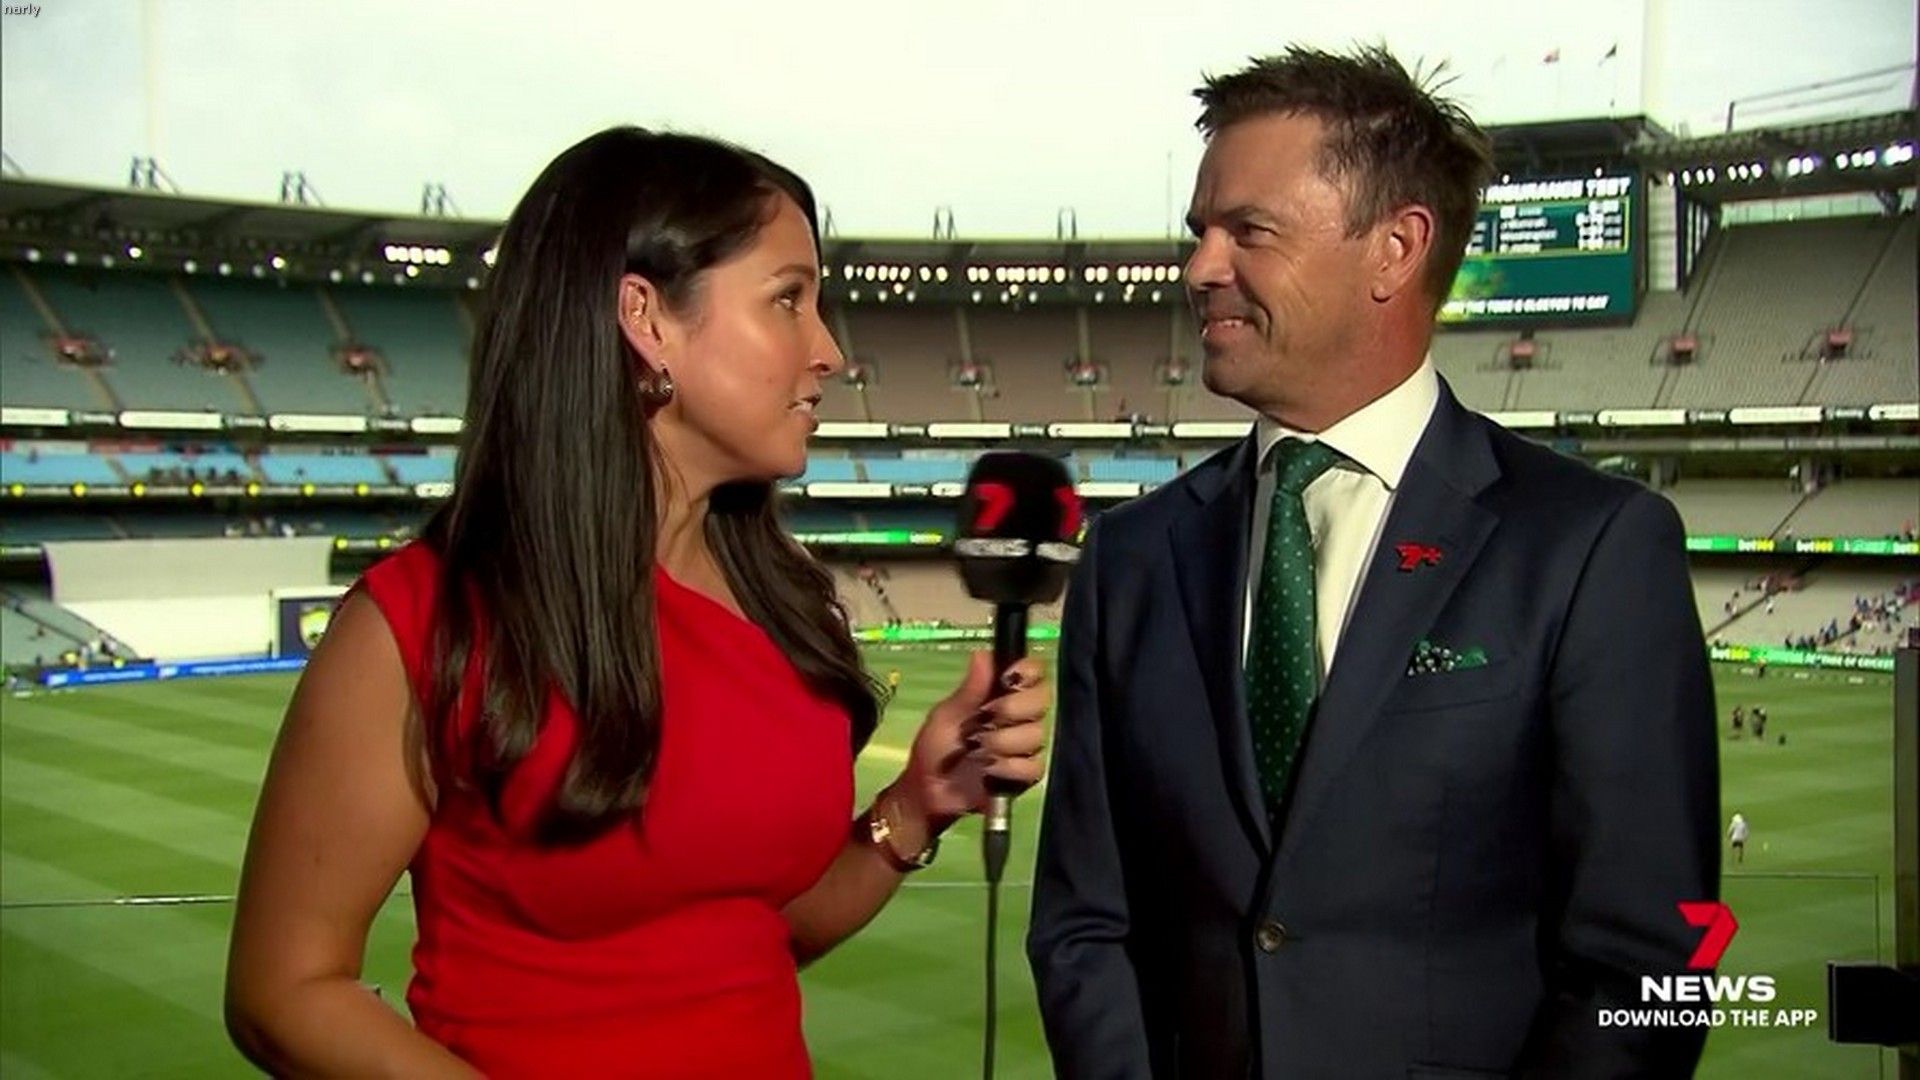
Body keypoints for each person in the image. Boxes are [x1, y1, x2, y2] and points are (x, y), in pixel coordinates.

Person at [225, 127, 1050, 1078]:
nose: (828, 351)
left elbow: (749, 936)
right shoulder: (421, 623)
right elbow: (285, 993)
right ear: (646, 319)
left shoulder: (785, 608)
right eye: (788, 300)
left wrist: (917, 804)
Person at [1029, 46, 1718, 1079]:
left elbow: (1648, 969)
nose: (1199, 269)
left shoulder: (1591, 548)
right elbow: (1085, 924)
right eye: (1199, 231)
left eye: (1248, 231)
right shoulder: (1132, 559)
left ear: (1395, 250)